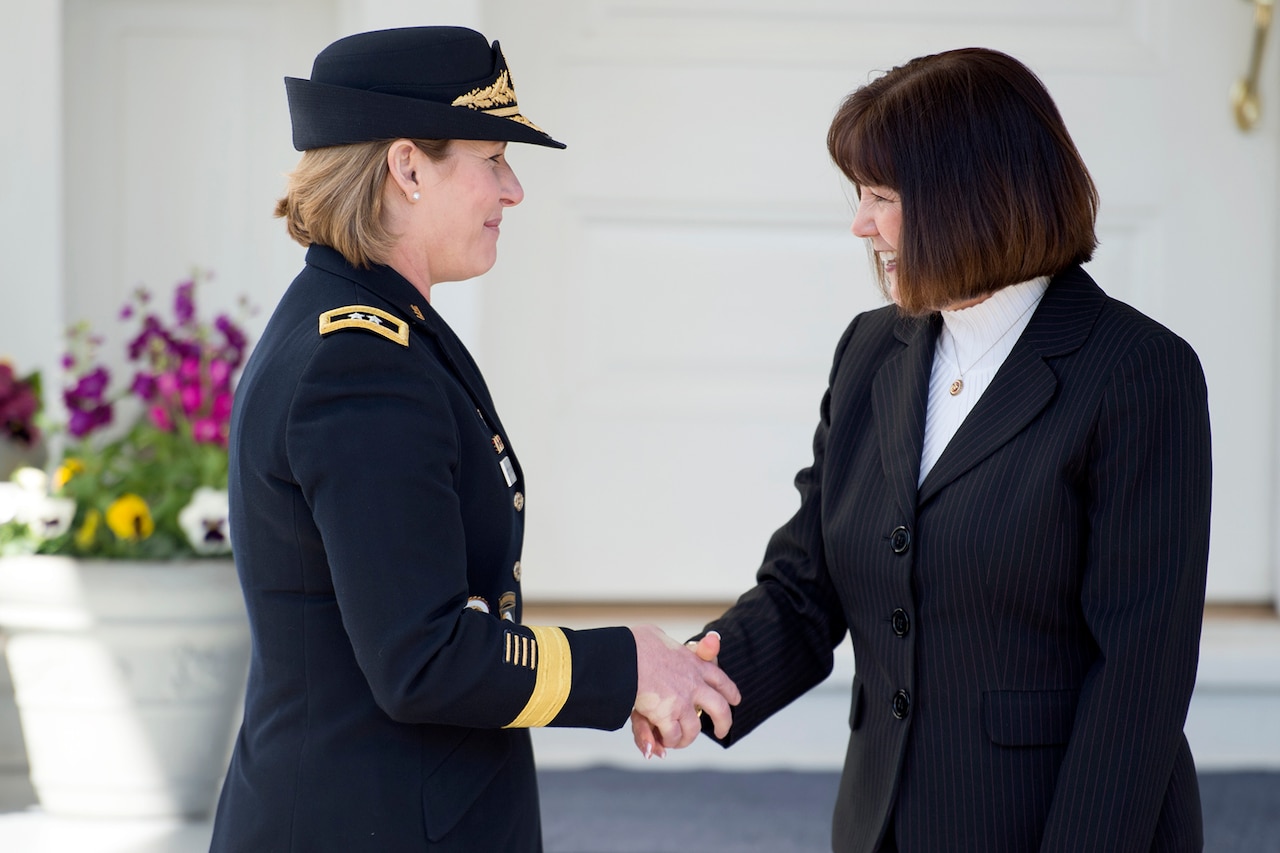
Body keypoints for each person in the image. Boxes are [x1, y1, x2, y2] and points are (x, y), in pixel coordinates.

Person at [634, 48, 1212, 852]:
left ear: (967, 198)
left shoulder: (1138, 373)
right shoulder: (872, 350)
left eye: (881, 196)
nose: (860, 223)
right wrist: (694, 682)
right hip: (882, 823)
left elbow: (1138, 681)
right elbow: (807, 588)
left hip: (1055, 825)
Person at [209, 26, 737, 853]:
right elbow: (421, 657)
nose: (515, 189)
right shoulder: (359, 362)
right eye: (492, 158)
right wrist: (626, 664)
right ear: (408, 167)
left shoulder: (370, 326)